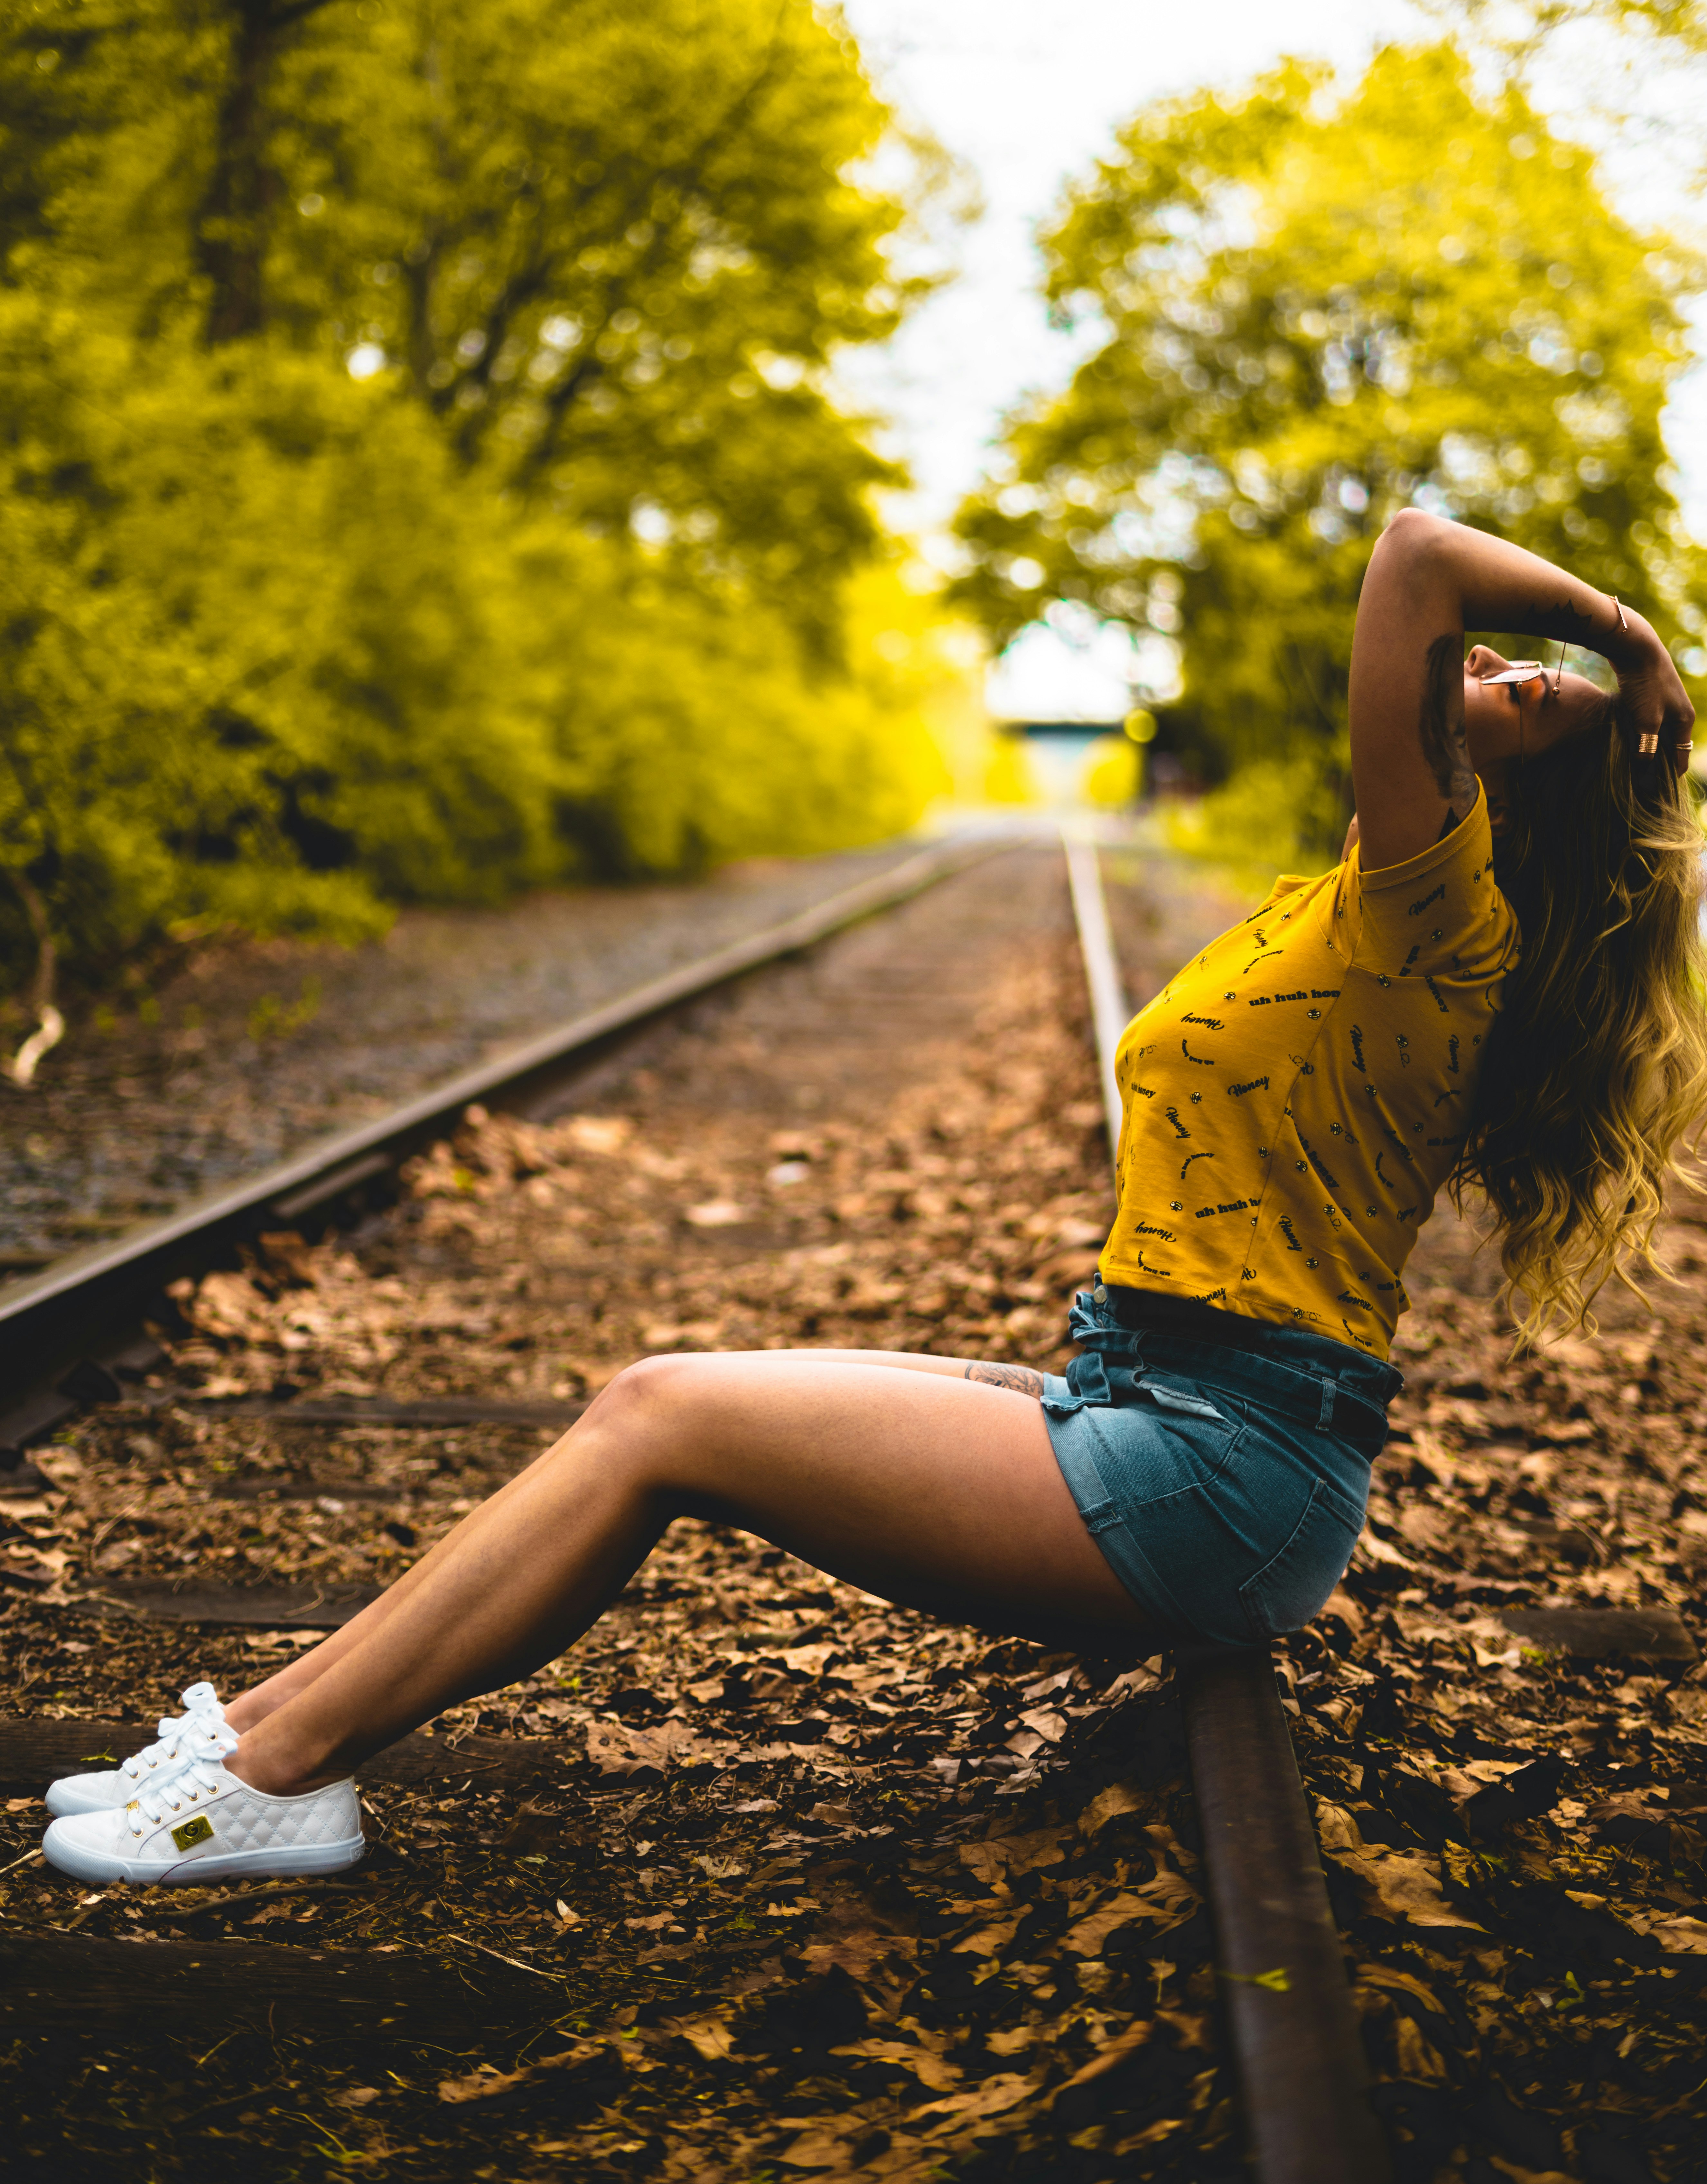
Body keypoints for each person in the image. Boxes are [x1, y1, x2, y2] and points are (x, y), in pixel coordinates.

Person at [40, 511, 1707, 1886]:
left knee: (659, 1413)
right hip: (1165, 1398)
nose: (1500, 670)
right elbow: (1424, 602)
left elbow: (1413, 559)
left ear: (1529, 800)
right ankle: (253, 1737)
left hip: (1222, 1462)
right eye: (1516, 662)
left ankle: (276, 1776)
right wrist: (1599, 685)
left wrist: (1624, 638)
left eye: (1538, 697)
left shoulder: (1445, 912)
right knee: (662, 1398)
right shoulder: (1374, 896)